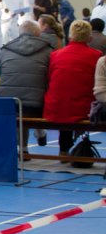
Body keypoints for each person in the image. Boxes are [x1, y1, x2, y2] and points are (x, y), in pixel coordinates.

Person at [43, 20, 101, 157]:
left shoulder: (55, 55)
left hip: (55, 106)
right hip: (83, 107)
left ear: (70, 36)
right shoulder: (96, 55)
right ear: (89, 37)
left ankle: (63, 150)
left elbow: (50, 78)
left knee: (64, 100)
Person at [0, 21, 52, 159]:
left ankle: (23, 149)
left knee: (20, 104)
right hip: (36, 106)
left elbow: (1, 71)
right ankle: (40, 131)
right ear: (38, 34)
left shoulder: (5, 50)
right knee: (34, 98)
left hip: (7, 104)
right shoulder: (48, 51)